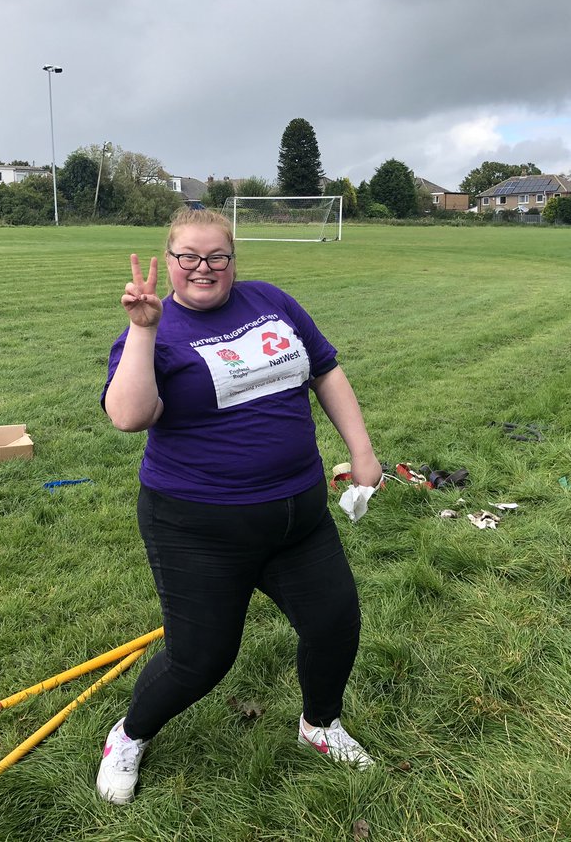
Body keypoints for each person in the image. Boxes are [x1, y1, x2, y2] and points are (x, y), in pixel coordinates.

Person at [98, 208, 382, 805]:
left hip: (298, 517)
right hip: (197, 526)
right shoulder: (151, 330)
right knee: (199, 660)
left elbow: (326, 371)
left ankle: (320, 725)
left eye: (217, 257)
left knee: (334, 623)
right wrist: (145, 329)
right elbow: (128, 417)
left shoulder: (270, 300)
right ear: (169, 261)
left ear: (233, 260)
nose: (204, 269)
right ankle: (128, 735)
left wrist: (361, 450)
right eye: (188, 258)